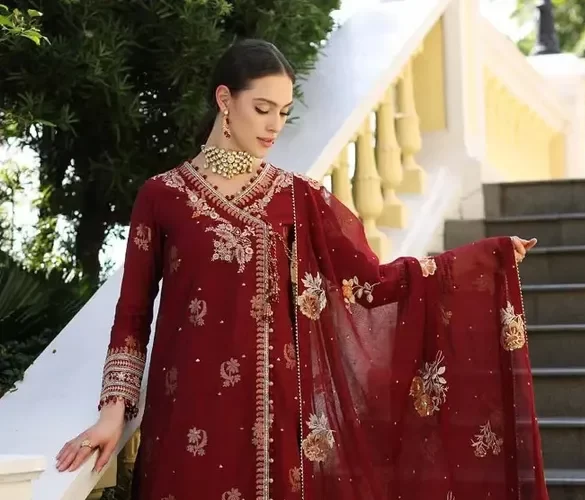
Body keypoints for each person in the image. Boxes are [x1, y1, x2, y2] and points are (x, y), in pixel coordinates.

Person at [56, 39, 544, 500]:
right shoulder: (162, 196)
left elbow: (372, 283)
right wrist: (113, 413)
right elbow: (133, 314)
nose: (274, 126)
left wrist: (484, 259)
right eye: (262, 108)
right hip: (184, 417)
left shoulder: (297, 197)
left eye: (284, 113)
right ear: (225, 100)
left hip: (274, 426)